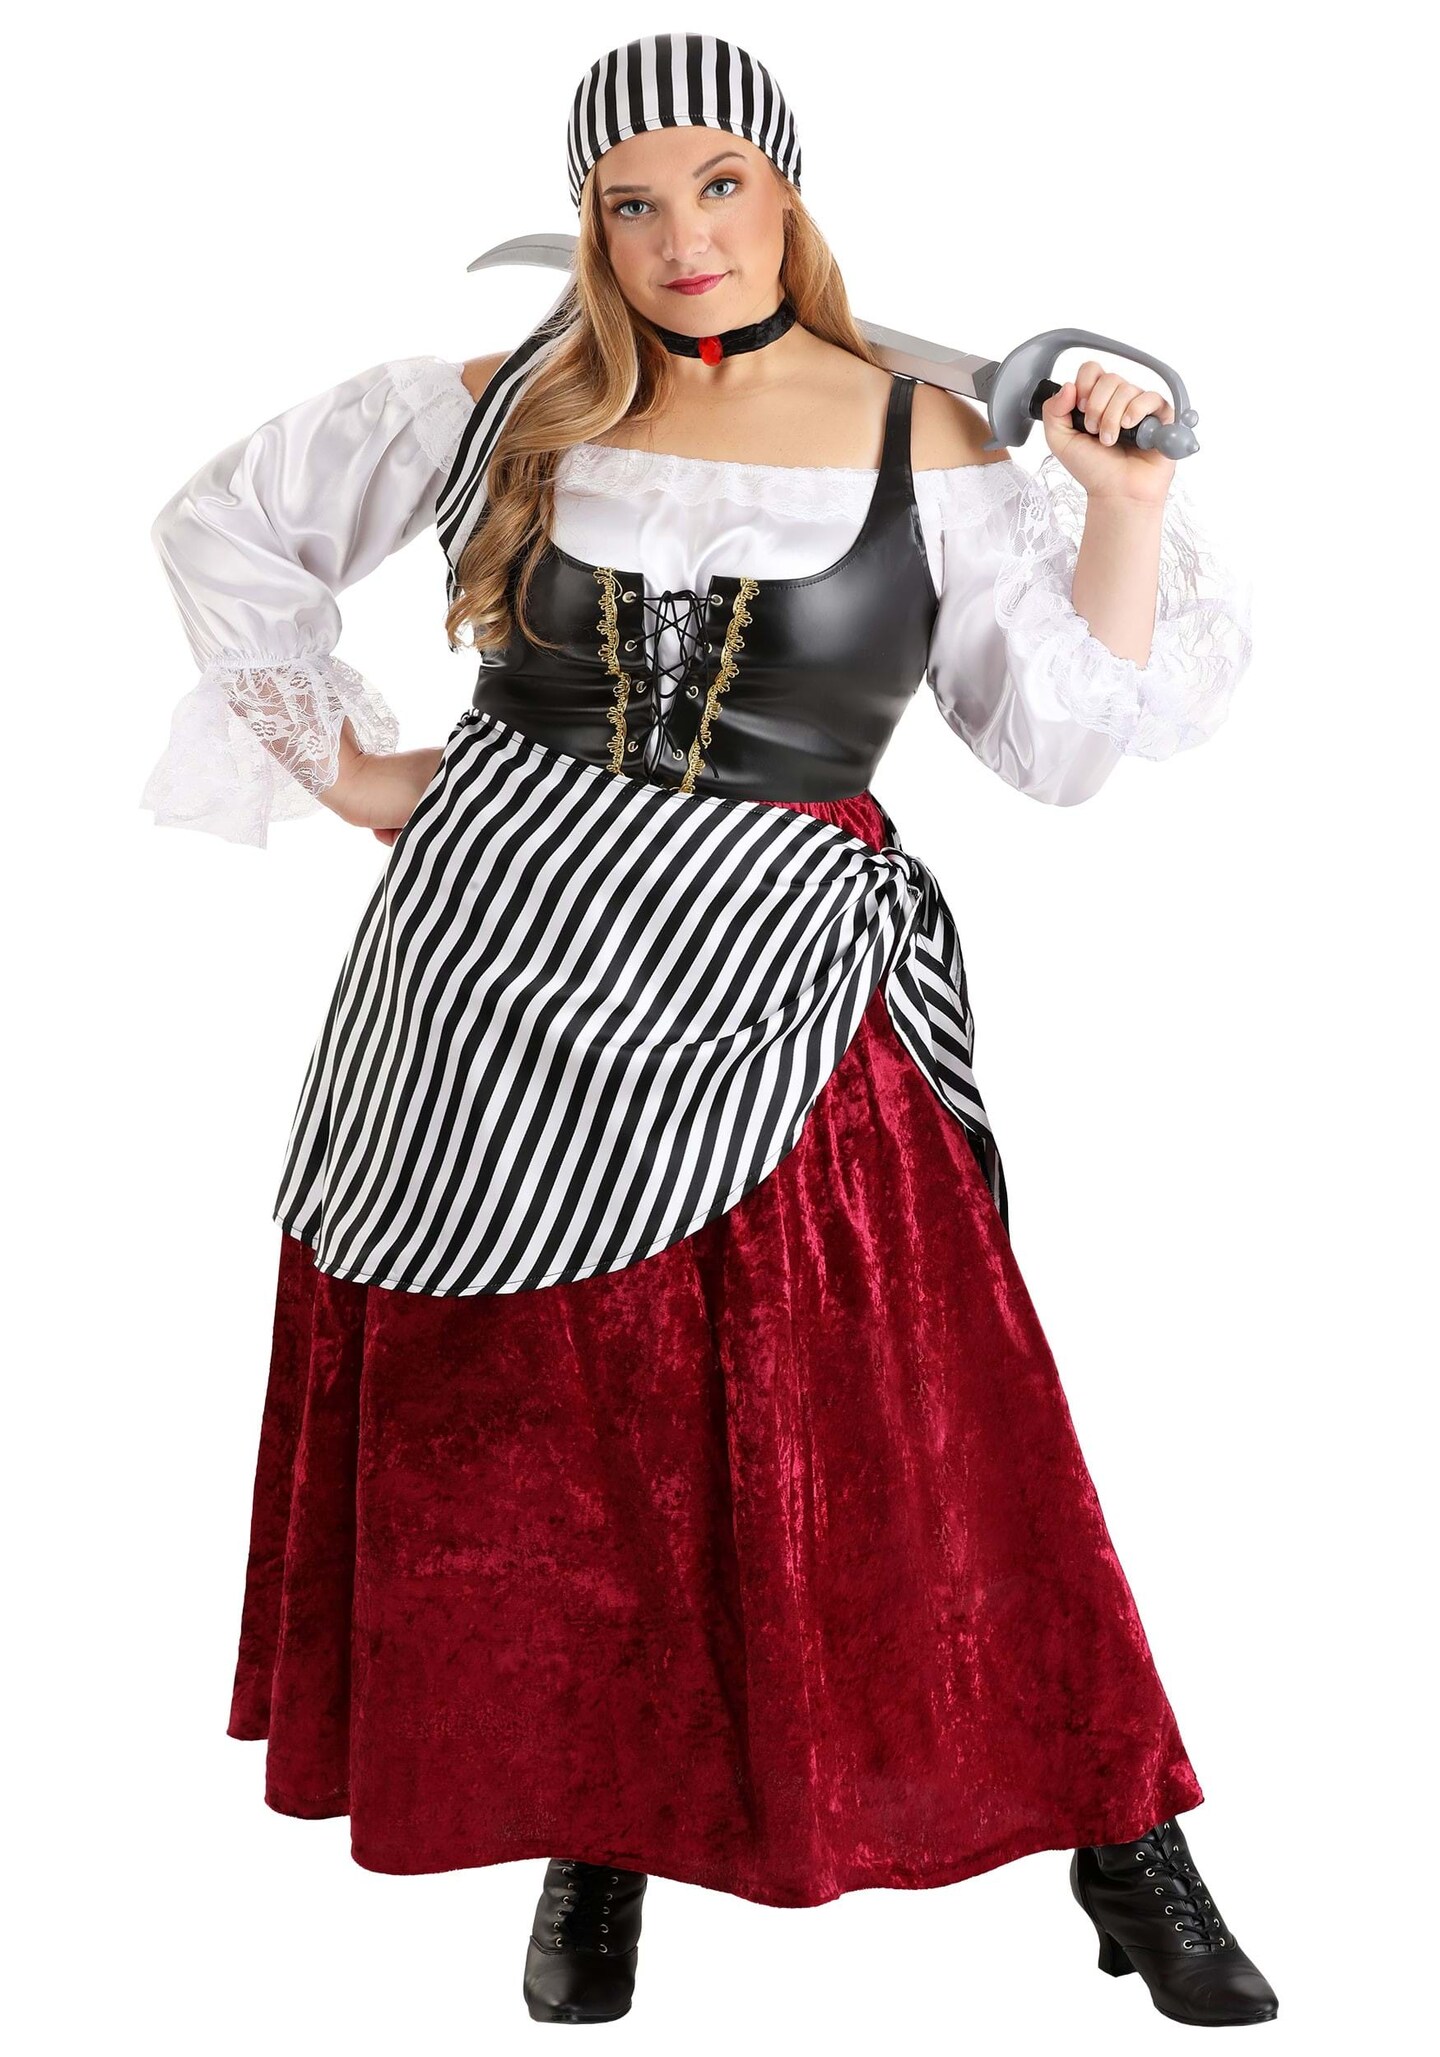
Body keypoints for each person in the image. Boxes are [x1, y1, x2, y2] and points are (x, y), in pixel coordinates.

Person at [140, 30, 1275, 2032]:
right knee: (556, 1441)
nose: (683, 238)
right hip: (485, 986)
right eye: (633, 202)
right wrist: (356, 774)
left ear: (787, 192)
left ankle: (1127, 1836)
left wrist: (1120, 503)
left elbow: (1063, 751)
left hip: (777, 980)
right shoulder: (514, 407)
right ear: (588, 222)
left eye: (720, 187)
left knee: (941, 1434)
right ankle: (595, 1836)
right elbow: (222, 527)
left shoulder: (933, 436)